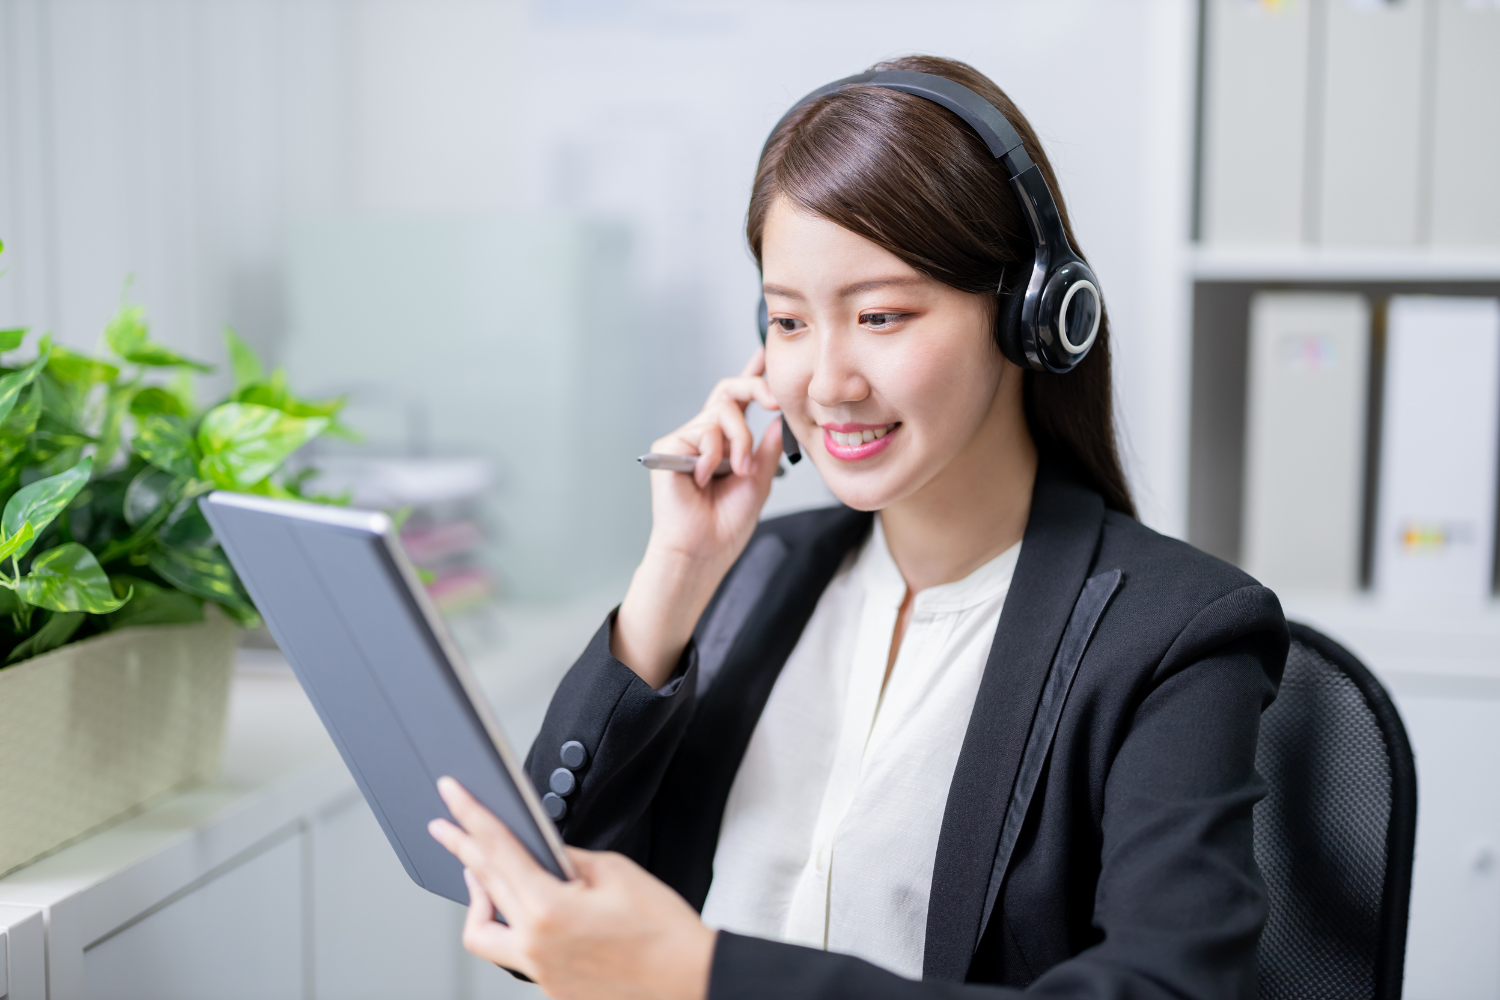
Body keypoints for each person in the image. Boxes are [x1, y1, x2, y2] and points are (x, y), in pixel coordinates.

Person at [428, 55, 1287, 1000]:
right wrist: (674, 573)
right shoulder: (758, 577)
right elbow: (528, 921)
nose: (827, 383)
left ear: (1030, 315)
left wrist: (700, 974)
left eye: (879, 316)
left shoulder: (1176, 636)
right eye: (789, 323)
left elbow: (1167, 989)